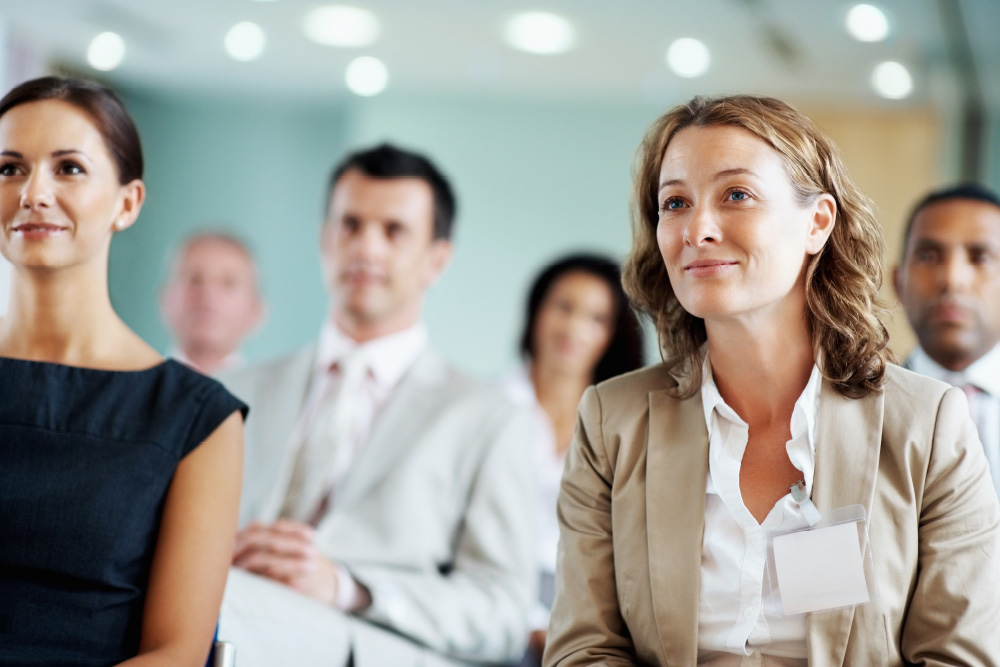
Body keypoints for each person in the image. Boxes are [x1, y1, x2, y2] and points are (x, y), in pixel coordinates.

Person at [543, 95, 1000, 666]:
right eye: (675, 203)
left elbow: (960, 656)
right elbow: (584, 647)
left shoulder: (926, 423)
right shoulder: (613, 420)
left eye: (736, 195)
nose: (698, 229)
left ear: (817, 223)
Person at [219, 143, 535, 667]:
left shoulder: (488, 419)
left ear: (437, 259)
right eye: (350, 224)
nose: (366, 248)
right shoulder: (237, 388)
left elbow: (502, 614)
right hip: (224, 627)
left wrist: (349, 588)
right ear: (324, 240)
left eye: (393, 231)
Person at [0, 76, 245, 666]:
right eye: (9, 168)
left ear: (127, 203)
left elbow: (176, 653)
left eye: (69, 169)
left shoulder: (199, 421)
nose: (33, 192)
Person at [502, 252, 643, 666]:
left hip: (581, 619)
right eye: (563, 307)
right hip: (494, 602)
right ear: (536, 311)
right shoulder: (487, 409)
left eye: (596, 319)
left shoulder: (625, 427)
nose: (574, 328)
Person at [894, 184, 1000, 497]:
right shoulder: (859, 412)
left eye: (980, 257)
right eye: (928, 256)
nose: (952, 279)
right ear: (899, 284)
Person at [160, 231, 265, 375]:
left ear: (255, 310)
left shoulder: (274, 395)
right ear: (165, 298)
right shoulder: (131, 389)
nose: (208, 294)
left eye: (228, 283)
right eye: (195, 279)